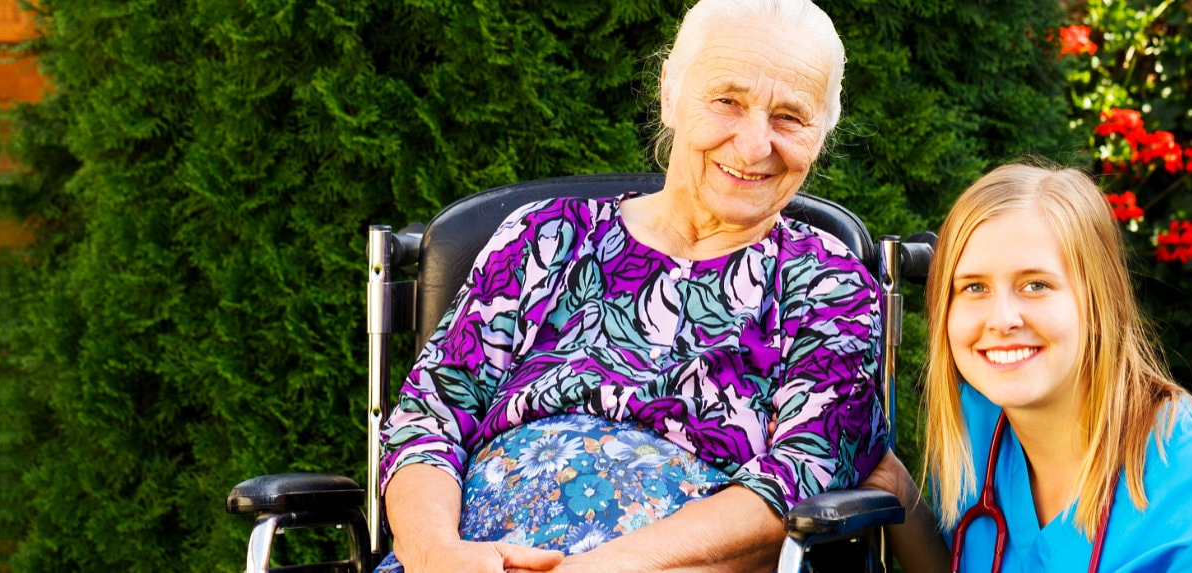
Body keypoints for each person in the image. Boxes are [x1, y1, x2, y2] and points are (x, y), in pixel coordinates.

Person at [374, 1, 886, 572]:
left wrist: (597, 568)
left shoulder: (829, 287)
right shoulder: (546, 236)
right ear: (671, 93)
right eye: (727, 101)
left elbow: (798, 483)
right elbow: (429, 417)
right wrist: (434, 553)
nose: (753, 145)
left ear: (823, 134)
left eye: (790, 117)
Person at [863, 163, 1192, 572]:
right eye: (974, 287)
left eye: (1036, 285)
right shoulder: (978, 428)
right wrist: (899, 493)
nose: (1002, 318)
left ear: (1099, 303)